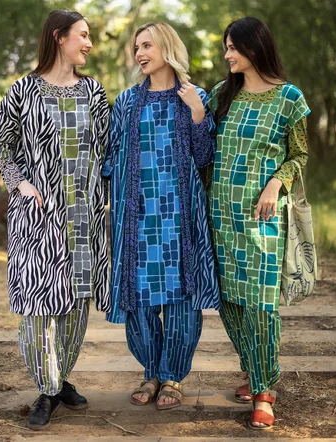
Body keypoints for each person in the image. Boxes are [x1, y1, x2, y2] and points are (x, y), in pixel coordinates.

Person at [0, 9, 111, 430]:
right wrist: (20, 185)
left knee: (74, 304)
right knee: (39, 305)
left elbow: (109, 152)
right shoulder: (22, 90)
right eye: (84, 35)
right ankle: (47, 387)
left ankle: (57, 382)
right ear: (59, 37)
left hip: (83, 215)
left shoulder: (93, 91)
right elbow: (0, 146)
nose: (89, 43)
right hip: (38, 214)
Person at [102, 22, 220, 410]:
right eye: (137, 47)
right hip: (136, 217)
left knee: (183, 297)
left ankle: (173, 376)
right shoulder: (126, 102)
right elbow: (110, 157)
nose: (140, 53)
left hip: (179, 217)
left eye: (147, 45)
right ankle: (150, 372)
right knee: (140, 296)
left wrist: (199, 114)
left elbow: (204, 158)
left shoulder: (194, 96)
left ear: (167, 48)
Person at [207, 16, 311, 429]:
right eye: (226, 47)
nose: (227, 54)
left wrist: (276, 183)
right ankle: (254, 369)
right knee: (230, 298)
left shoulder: (290, 99)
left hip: (263, 216)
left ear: (255, 47)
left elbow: (299, 155)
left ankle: (265, 392)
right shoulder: (222, 94)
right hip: (220, 211)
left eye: (233, 46)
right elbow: (202, 144)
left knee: (261, 303)